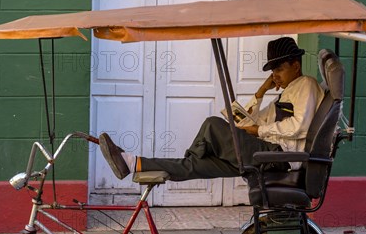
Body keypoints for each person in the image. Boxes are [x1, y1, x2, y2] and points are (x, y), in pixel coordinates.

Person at [99, 37, 324, 184]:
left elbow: (300, 126)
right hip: (265, 151)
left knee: (212, 124)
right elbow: (245, 123)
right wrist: (261, 92)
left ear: (296, 65)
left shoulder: (306, 85)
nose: (275, 76)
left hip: (279, 157)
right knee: (194, 165)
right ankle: (133, 162)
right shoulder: (285, 93)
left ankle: (192, 156)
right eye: (272, 71)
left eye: (280, 70)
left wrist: (260, 131)